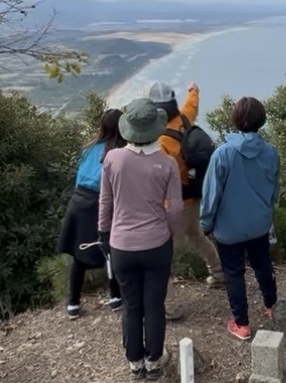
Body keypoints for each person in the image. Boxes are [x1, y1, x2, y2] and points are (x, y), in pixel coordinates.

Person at [99, 98, 184, 380]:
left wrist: (103, 234)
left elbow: (105, 202)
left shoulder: (112, 159)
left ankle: (134, 362)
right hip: (157, 243)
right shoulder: (167, 163)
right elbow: (176, 208)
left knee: (131, 305)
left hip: (121, 244)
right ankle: (154, 362)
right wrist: (172, 234)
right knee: (154, 305)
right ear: (155, 128)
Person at [200, 97, 280, 341]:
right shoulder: (271, 152)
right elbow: (274, 190)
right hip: (259, 224)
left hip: (229, 229)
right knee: (262, 264)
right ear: (261, 120)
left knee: (234, 273)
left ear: (235, 119)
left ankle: (242, 324)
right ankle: (272, 307)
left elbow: (211, 194)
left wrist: (206, 224)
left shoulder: (223, 154)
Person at [148, 80, 224, 320]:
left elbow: (160, 177)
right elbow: (193, 101)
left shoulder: (161, 141)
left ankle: (168, 307)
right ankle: (221, 274)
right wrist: (193, 88)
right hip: (194, 196)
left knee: (162, 256)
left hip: (175, 205)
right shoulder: (184, 118)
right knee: (197, 236)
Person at [56, 109, 126, 319]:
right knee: (112, 248)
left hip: (78, 201)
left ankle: (73, 304)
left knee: (80, 255)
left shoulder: (88, 149)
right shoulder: (118, 153)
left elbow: (80, 176)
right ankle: (115, 297)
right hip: (99, 201)